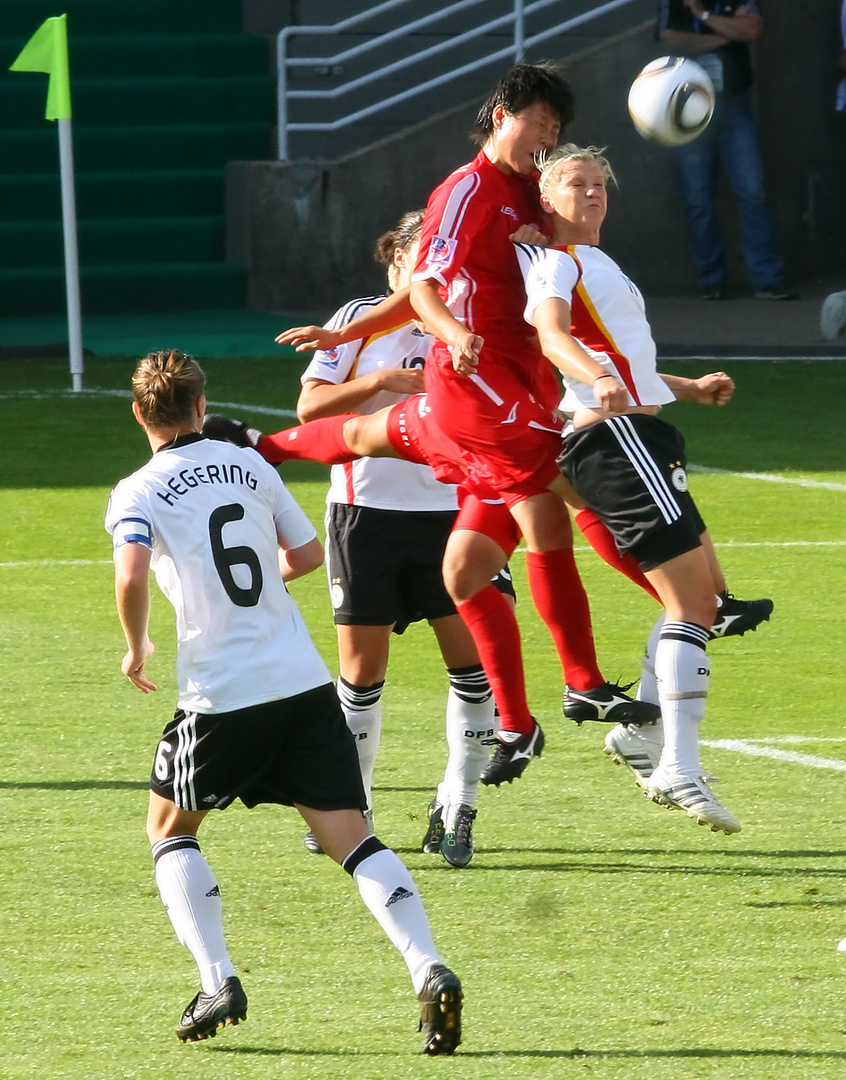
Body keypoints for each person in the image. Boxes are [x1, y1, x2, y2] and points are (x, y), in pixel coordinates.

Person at [105, 349, 463, 1053]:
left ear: (141, 412)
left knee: (170, 830)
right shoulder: (252, 465)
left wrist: (137, 641)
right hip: (300, 683)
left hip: (222, 694)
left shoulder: (137, 489)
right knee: (352, 839)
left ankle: (218, 980)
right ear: (202, 406)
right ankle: (428, 966)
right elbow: (303, 555)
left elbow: (132, 572)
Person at [406, 61, 661, 785]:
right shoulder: (465, 191)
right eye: (539, 127)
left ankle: (516, 725)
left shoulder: (528, 189)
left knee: (464, 570)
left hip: (522, 384)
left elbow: (560, 255)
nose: (546, 141)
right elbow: (423, 284)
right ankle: (683, 605)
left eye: (556, 131)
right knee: (574, 499)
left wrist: (567, 211)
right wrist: (453, 335)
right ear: (501, 118)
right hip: (477, 384)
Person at [514, 142, 751, 833]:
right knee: (691, 601)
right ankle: (676, 762)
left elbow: (622, 358)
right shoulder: (556, 262)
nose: (591, 193)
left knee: (705, 598)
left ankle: (647, 737)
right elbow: (552, 336)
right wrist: (597, 377)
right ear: (546, 199)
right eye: (574, 184)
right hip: (612, 440)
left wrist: (689, 388)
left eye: (598, 185)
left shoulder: (600, 263)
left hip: (643, 434)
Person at [294, 209, 506, 870]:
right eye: (422, 261)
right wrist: (380, 382)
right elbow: (309, 409)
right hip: (368, 516)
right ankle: (351, 810)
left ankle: (458, 802)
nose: (434, 274)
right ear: (396, 267)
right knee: (362, 675)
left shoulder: (475, 322)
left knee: (474, 668)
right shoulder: (357, 319)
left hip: (456, 515)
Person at [656, 1, 797, 300]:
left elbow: (754, 29)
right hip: (688, 108)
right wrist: (726, 33)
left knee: (753, 191)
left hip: (734, 104)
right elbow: (671, 38)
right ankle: (712, 280)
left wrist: (702, 15)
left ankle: (768, 279)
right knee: (698, 198)